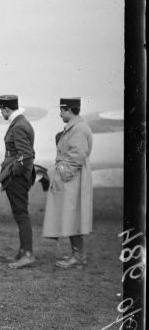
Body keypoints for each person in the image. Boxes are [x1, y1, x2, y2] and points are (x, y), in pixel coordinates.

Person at [42, 97, 93, 268]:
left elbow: (78, 155)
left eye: (62, 110)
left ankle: (78, 257)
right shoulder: (76, 127)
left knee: (73, 216)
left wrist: (62, 173)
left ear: (69, 110)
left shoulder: (78, 128)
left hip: (73, 179)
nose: (60, 114)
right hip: (72, 178)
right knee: (72, 216)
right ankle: (77, 255)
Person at [0, 95, 36, 268]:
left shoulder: (19, 125)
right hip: (19, 175)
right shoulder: (21, 122)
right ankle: (23, 252)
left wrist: (14, 172)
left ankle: (27, 254)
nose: (1, 113)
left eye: (1, 109)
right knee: (19, 214)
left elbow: (25, 154)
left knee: (21, 214)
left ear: (6, 109)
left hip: (17, 177)